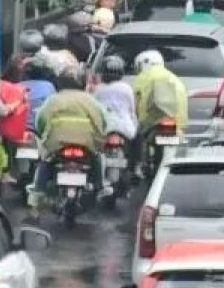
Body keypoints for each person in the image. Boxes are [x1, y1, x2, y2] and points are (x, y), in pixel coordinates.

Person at [28, 69, 110, 207]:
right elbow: (103, 120)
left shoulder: (53, 100)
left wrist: (43, 134)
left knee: (46, 160)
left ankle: (38, 190)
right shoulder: (90, 100)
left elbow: (40, 120)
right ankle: (101, 186)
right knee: (97, 157)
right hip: (87, 141)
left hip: (56, 142)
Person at [132, 50, 189, 172]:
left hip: (152, 122)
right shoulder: (175, 78)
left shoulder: (143, 77)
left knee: (137, 139)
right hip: (176, 123)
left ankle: (137, 166)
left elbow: (136, 101)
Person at [92, 56, 138, 142]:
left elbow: (93, 109)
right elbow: (132, 110)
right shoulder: (126, 88)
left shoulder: (97, 89)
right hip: (126, 129)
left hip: (104, 129)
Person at [19, 57, 58, 129]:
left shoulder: (17, 86)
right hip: (40, 128)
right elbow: (55, 107)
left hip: (20, 128)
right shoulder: (48, 86)